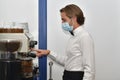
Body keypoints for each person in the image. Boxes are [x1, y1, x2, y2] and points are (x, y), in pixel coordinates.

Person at [32, 4, 95, 80]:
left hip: (76, 77)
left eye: (64, 20)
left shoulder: (84, 36)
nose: (62, 22)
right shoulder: (73, 37)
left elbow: (89, 69)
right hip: (68, 75)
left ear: (74, 19)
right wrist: (49, 53)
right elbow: (68, 61)